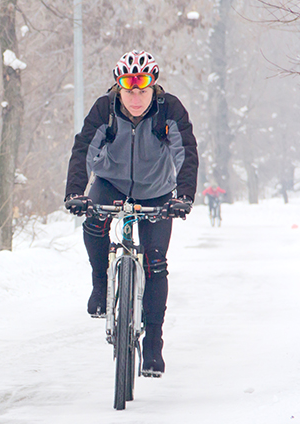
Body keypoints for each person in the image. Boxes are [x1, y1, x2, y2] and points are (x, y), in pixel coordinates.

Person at [64, 50, 198, 376]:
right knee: (94, 221)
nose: (135, 98)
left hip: (157, 190)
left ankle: (153, 342)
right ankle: (100, 283)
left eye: (143, 90)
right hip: (110, 183)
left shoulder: (169, 110)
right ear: (118, 89)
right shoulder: (104, 110)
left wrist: (183, 197)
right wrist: (75, 192)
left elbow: (186, 151)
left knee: (155, 261)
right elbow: (83, 148)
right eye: (129, 91)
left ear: (154, 88)